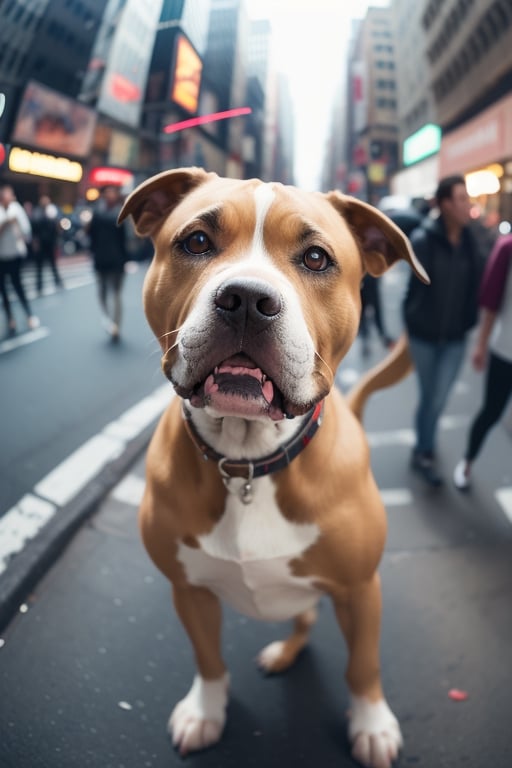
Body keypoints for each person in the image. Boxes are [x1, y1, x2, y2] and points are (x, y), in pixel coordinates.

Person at [403, 175, 485, 486]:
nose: (468, 205)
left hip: (455, 339)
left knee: (436, 397)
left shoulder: (471, 242)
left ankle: (424, 444)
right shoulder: (424, 240)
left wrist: (471, 322)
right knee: (432, 397)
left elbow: (480, 283)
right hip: (424, 338)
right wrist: (412, 324)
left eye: (467, 199)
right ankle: (424, 450)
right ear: (446, 204)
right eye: (462, 199)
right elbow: (412, 293)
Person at [453, 233, 512, 490]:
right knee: (491, 411)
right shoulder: (507, 247)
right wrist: (481, 344)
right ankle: (467, 461)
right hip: (506, 350)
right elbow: (491, 300)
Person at [88, 185, 128, 341]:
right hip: (100, 259)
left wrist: (127, 258)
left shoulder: (121, 214)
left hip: (117, 260)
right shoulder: (97, 213)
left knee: (116, 293)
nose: (110, 195)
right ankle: (108, 318)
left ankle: (116, 325)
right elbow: (92, 236)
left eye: (113, 192)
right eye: (107, 193)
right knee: (102, 291)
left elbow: (124, 239)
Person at [0, 184, 40, 335]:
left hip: (15, 255)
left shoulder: (16, 209)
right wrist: (5, 224)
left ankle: (29, 315)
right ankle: (10, 319)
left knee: (18, 287)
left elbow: (26, 231)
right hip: (1, 257)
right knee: (3, 291)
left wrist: (16, 225)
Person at [31, 194, 64, 294]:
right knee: (39, 267)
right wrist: (35, 242)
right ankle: (39, 286)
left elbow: (58, 228)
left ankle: (58, 282)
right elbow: (34, 228)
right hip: (41, 243)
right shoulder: (37, 213)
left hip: (50, 243)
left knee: (53, 265)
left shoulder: (53, 212)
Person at [359, 274, 395, 356]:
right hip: (366, 283)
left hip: (368, 283)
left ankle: (379, 338)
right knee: (367, 314)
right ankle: (367, 340)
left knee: (369, 314)